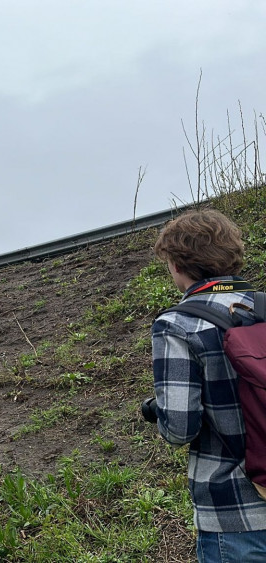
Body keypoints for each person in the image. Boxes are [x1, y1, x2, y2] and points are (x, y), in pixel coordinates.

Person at [149, 209, 266, 560]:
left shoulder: (177, 324)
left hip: (235, 514)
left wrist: (158, 412)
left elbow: (180, 429)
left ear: (177, 265)